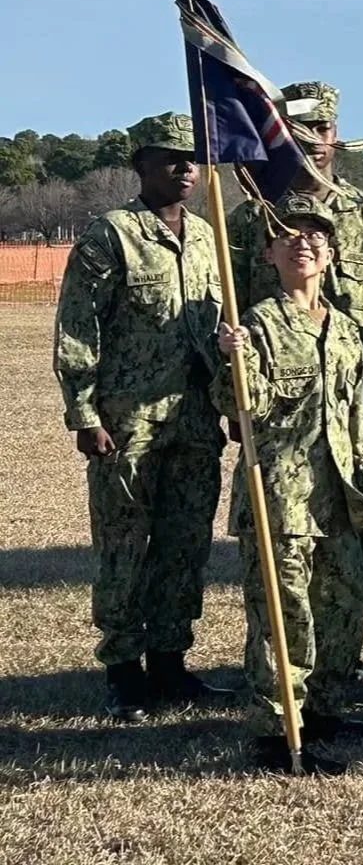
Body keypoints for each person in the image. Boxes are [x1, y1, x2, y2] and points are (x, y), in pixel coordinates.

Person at [52, 112, 226, 721]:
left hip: (196, 421)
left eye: (191, 159)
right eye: (169, 158)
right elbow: (79, 326)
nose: (184, 169)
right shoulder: (110, 235)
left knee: (184, 544)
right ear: (141, 166)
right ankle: (124, 670)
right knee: (125, 547)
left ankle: (171, 661)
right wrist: (83, 413)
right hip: (128, 422)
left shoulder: (209, 238)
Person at [215, 195, 363, 775]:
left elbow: (356, 410)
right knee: (282, 616)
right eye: (289, 235)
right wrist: (233, 362)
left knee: (342, 606)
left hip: (338, 494)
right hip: (281, 496)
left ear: (331, 253)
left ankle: (324, 708)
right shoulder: (258, 324)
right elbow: (243, 411)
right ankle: (277, 728)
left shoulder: (343, 329)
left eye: (316, 235)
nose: (303, 243)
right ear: (269, 252)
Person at [226, 81, 363, 344]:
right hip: (278, 375)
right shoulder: (253, 216)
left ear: (336, 133)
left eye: (322, 128)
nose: (313, 140)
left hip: (356, 374)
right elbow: (231, 305)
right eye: (302, 129)